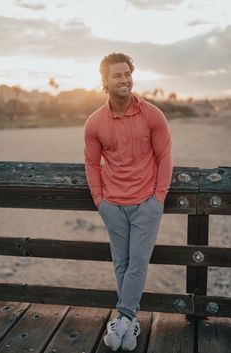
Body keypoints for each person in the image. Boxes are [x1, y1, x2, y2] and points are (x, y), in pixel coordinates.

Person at [84, 53, 173, 351]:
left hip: (146, 202)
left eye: (127, 74)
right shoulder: (94, 122)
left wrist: (158, 197)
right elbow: (91, 164)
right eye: (116, 76)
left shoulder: (152, 115)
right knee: (121, 263)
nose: (124, 80)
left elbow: (165, 156)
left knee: (137, 263)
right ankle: (130, 324)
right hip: (113, 205)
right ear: (105, 82)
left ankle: (122, 318)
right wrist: (100, 200)